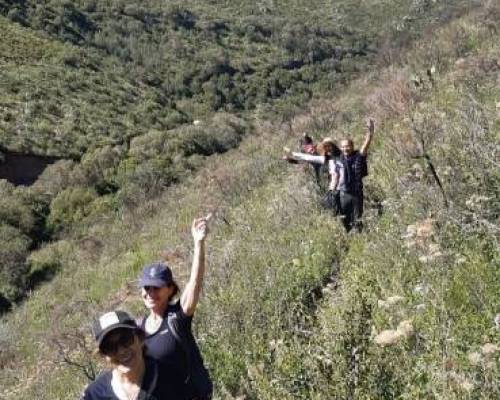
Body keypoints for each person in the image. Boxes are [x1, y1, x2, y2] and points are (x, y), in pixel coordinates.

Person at [137, 215, 213, 400]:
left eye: (157, 287)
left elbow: (195, 282)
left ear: (170, 289)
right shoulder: (138, 328)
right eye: (147, 287)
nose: (151, 293)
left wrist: (198, 243)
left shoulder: (177, 317)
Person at [81, 310, 187, 400]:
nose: (121, 351)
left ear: (140, 338)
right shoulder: (95, 395)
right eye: (110, 347)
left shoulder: (169, 377)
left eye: (125, 339)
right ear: (104, 355)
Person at [333, 118, 375, 232]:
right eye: (342, 147)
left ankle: (359, 238)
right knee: (345, 220)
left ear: (352, 146)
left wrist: (370, 132)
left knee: (357, 218)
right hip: (343, 194)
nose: (345, 148)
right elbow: (335, 176)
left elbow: (366, 144)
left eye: (347, 146)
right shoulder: (338, 160)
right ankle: (349, 236)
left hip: (356, 194)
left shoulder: (358, 156)